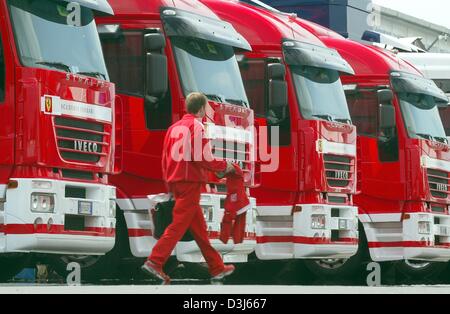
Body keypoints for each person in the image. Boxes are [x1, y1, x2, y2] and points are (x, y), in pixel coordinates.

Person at [142, 92, 236, 283]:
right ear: (201, 109)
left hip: (176, 181)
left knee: (199, 230)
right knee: (177, 226)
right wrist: (224, 166)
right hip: (190, 182)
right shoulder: (197, 126)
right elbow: (202, 156)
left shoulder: (174, 128)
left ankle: (216, 267)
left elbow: (165, 158)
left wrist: (169, 183)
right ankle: (154, 261)